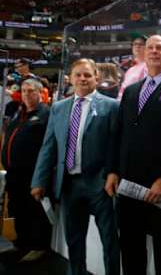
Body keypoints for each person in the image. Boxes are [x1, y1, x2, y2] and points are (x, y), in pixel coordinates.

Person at [105, 35, 161, 275]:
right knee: (131, 245)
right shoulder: (131, 91)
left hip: (160, 186)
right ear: (144, 54)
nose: (154, 51)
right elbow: (119, 134)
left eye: (160, 48)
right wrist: (113, 171)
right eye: (150, 48)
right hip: (127, 183)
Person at [31, 58, 120, 275]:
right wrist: (38, 180)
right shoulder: (59, 108)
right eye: (78, 74)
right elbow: (48, 147)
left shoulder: (112, 107)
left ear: (96, 78)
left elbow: (117, 145)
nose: (82, 78)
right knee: (74, 240)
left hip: (100, 184)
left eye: (87, 75)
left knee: (109, 240)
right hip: (70, 183)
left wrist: (113, 173)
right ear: (70, 78)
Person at [1, 79, 50, 262]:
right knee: (17, 207)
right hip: (14, 173)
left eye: (31, 91)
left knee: (34, 210)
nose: (27, 95)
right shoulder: (19, 112)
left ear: (40, 93)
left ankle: (38, 246)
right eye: (24, 91)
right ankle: (21, 243)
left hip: (32, 173)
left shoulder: (45, 114)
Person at [118, 34, 148, 100]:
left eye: (141, 44)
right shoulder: (130, 70)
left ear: (147, 47)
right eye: (135, 44)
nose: (137, 46)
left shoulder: (148, 66)